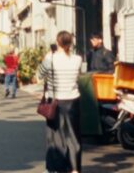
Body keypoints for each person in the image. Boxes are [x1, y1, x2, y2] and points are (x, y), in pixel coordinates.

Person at [39, 31, 84, 173]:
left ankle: (56, 168)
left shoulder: (50, 58)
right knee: (73, 136)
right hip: (73, 100)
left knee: (55, 137)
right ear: (70, 43)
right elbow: (79, 75)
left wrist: (47, 57)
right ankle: (75, 169)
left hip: (55, 101)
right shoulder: (77, 59)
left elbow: (39, 75)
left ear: (57, 42)